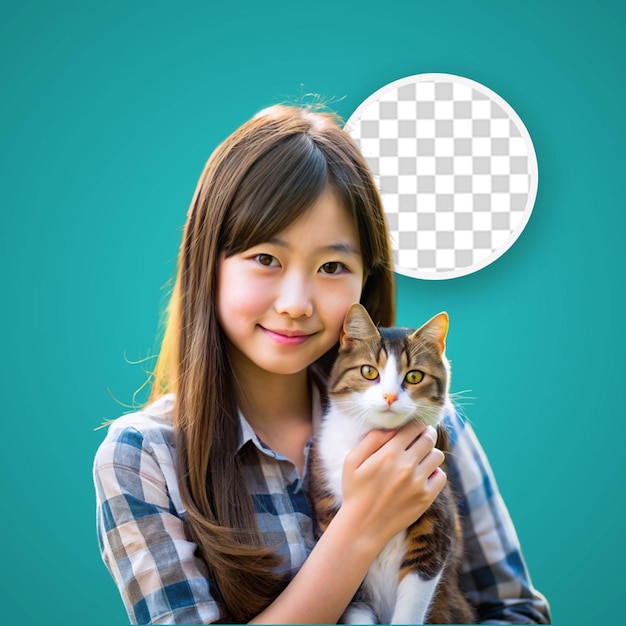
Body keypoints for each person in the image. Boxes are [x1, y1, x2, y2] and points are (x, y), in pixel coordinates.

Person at [93, 104, 551, 624]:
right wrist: (359, 528)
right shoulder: (142, 457)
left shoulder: (430, 429)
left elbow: (515, 610)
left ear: (365, 284)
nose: (296, 302)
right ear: (208, 263)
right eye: (266, 259)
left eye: (332, 266)